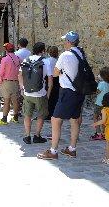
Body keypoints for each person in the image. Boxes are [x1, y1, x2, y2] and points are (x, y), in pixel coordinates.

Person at [38, 31, 86, 160]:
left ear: (69, 42)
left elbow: (55, 73)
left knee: (56, 120)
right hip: (79, 91)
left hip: (67, 91)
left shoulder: (65, 55)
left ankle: (53, 151)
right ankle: (72, 149)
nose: (64, 42)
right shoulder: (81, 53)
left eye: (66, 40)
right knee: (75, 119)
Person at [19, 42, 53, 144]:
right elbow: (50, 81)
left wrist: (22, 88)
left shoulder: (26, 60)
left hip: (27, 93)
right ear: (43, 51)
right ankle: (37, 135)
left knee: (27, 115)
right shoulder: (46, 62)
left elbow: (19, 75)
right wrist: (48, 94)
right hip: (40, 93)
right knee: (41, 115)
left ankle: (27, 136)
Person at [0, 43, 21, 125]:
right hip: (16, 81)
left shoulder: (5, 59)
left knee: (6, 101)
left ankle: (4, 119)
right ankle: (15, 118)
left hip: (7, 82)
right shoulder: (18, 58)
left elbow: (1, 72)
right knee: (15, 101)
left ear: (6, 50)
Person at [90, 67, 109, 140]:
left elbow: (97, 92)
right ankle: (104, 133)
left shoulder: (101, 83)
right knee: (104, 119)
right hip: (106, 105)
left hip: (99, 104)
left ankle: (98, 133)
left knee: (95, 117)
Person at [46, 46, 60, 120]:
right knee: (55, 97)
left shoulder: (47, 60)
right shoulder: (58, 60)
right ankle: (55, 113)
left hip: (48, 78)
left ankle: (48, 113)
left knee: (49, 97)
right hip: (57, 79)